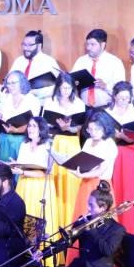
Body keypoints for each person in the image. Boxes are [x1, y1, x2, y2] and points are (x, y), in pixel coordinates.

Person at [42, 72, 85, 230]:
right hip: (56, 140)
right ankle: (55, 219)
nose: (65, 91)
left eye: (68, 88)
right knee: (55, 178)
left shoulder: (78, 103)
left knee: (71, 179)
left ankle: (70, 219)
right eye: (62, 88)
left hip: (72, 142)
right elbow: (44, 123)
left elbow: (80, 126)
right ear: (58, 87)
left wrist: (69, 127)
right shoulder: (50, 102)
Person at [11, 117, 58, 249]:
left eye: (34, 126)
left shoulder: (47, 145)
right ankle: (22, 251)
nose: (30, 129)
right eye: (29, 126)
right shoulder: (24, 144)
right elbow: (22, 165)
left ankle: (40, 251)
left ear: (41, 129)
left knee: (36, 216)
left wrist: (23, 172)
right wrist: (15, 165)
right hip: (24, 184)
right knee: (22, 216)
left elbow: (46, 172)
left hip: (39, 186)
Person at [104, 81, 134, 235]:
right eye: (121, 98)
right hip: (111, 150)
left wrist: (122, 136)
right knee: (113, 186)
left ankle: (131, 227)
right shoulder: (107, 112)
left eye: (127, 98)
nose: (124, 102)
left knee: (129, 188)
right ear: (114, 96)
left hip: (129, 152)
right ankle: (112, 227)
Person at [0, 70, 40, 162]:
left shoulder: (32, 100)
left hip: (23, 140)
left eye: (13, 83)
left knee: (19, 170)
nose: (10, 86)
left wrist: (16, 130)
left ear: (22, 82)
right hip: (5, 139)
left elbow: (34, 124)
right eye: (8, 83)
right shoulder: (5, 97)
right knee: (4, 172)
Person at [71, 29, 125, 108]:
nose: (88, 48)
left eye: (93, 44)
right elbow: (71, 80)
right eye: (87, 44)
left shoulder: (115, 62)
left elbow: (122, 91)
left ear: (103, 45)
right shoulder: (81, 61)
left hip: (106, 107)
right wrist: (73, 83)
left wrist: (106, 86)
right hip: (84, 107)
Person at [9, 30, 60, 104]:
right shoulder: (18, 61)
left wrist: (35, 93)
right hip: (18, 105)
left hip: (40, 104)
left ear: (39, 45)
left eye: (30, 45)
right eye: (24, 44)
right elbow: (9, 80)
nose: (26, 48)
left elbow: (58, 87)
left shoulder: (49, 62)